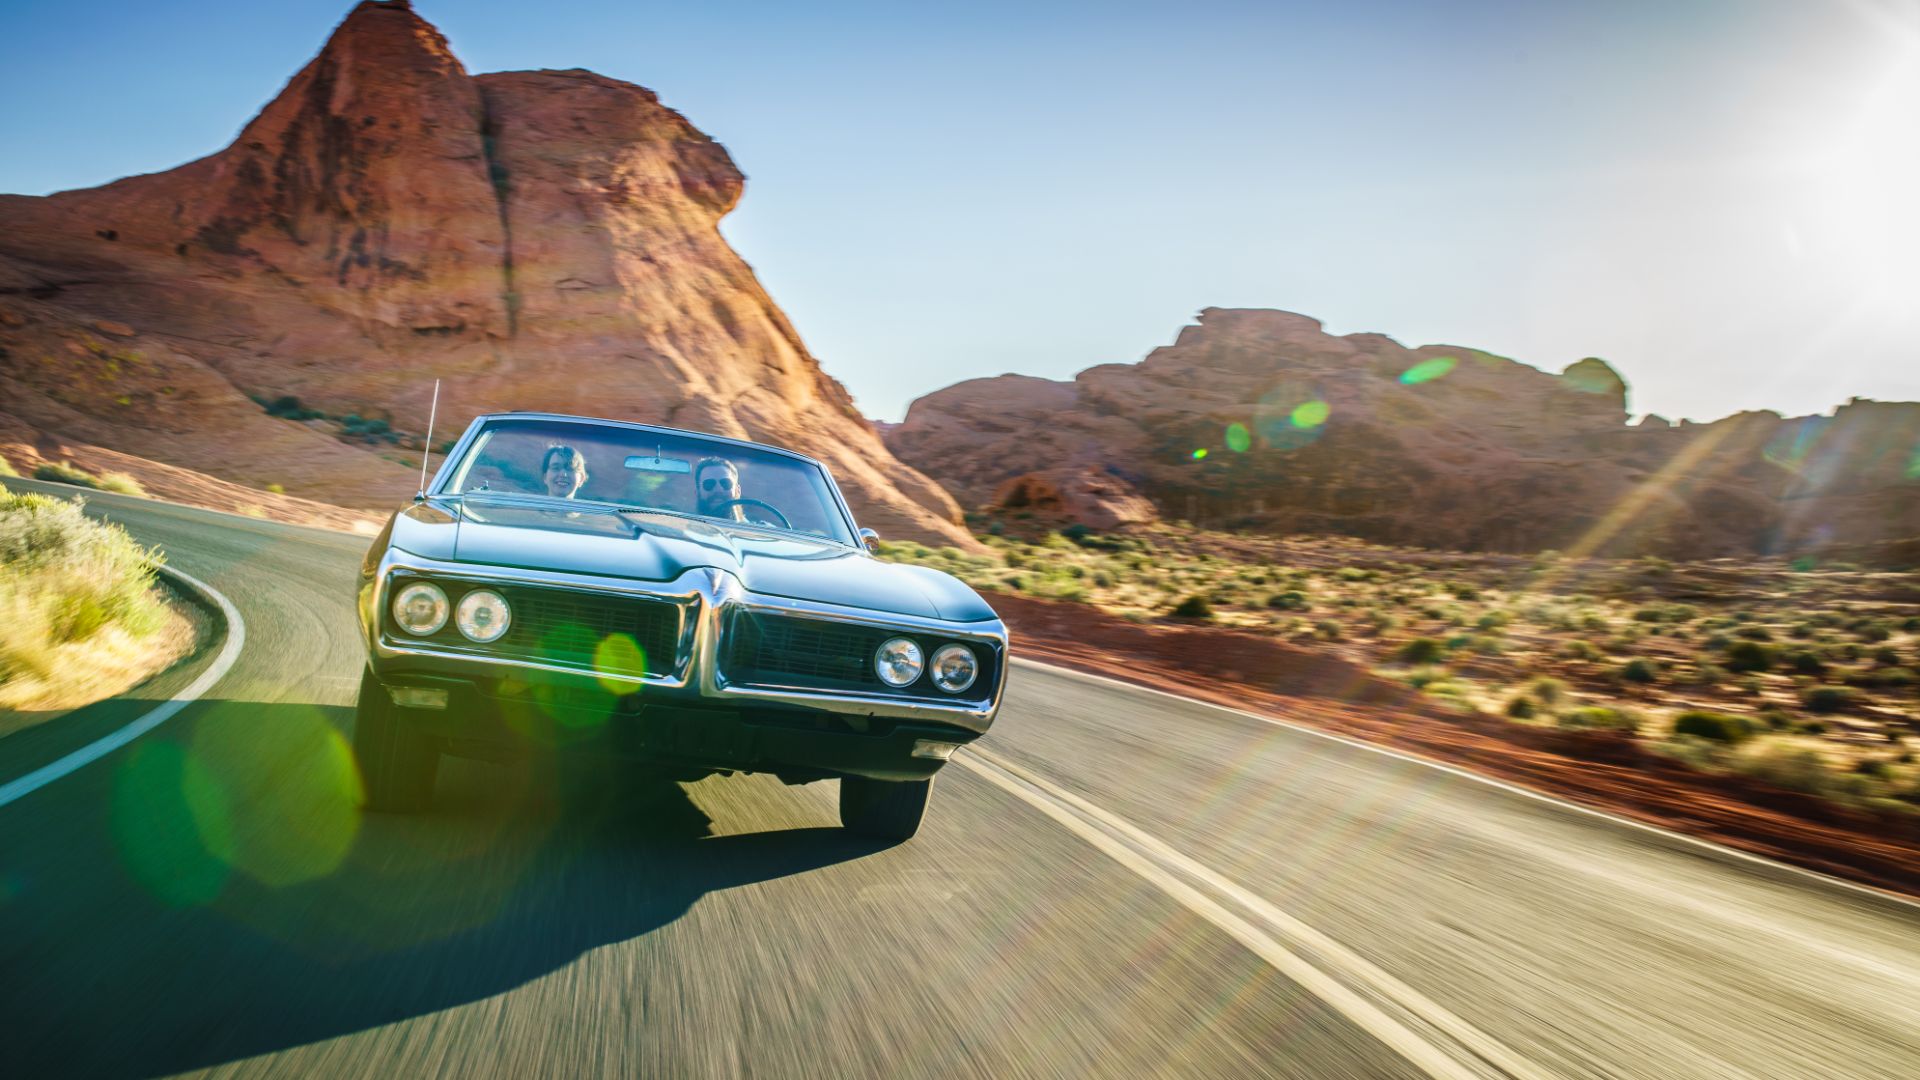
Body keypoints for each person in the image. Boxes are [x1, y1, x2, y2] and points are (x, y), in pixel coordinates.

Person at [694, 456, 747, 522]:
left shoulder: (756, 530)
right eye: (709, 484)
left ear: (738, 490)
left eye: (725, 483)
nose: (718, 490)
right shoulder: (683, 530)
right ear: (697, 492)